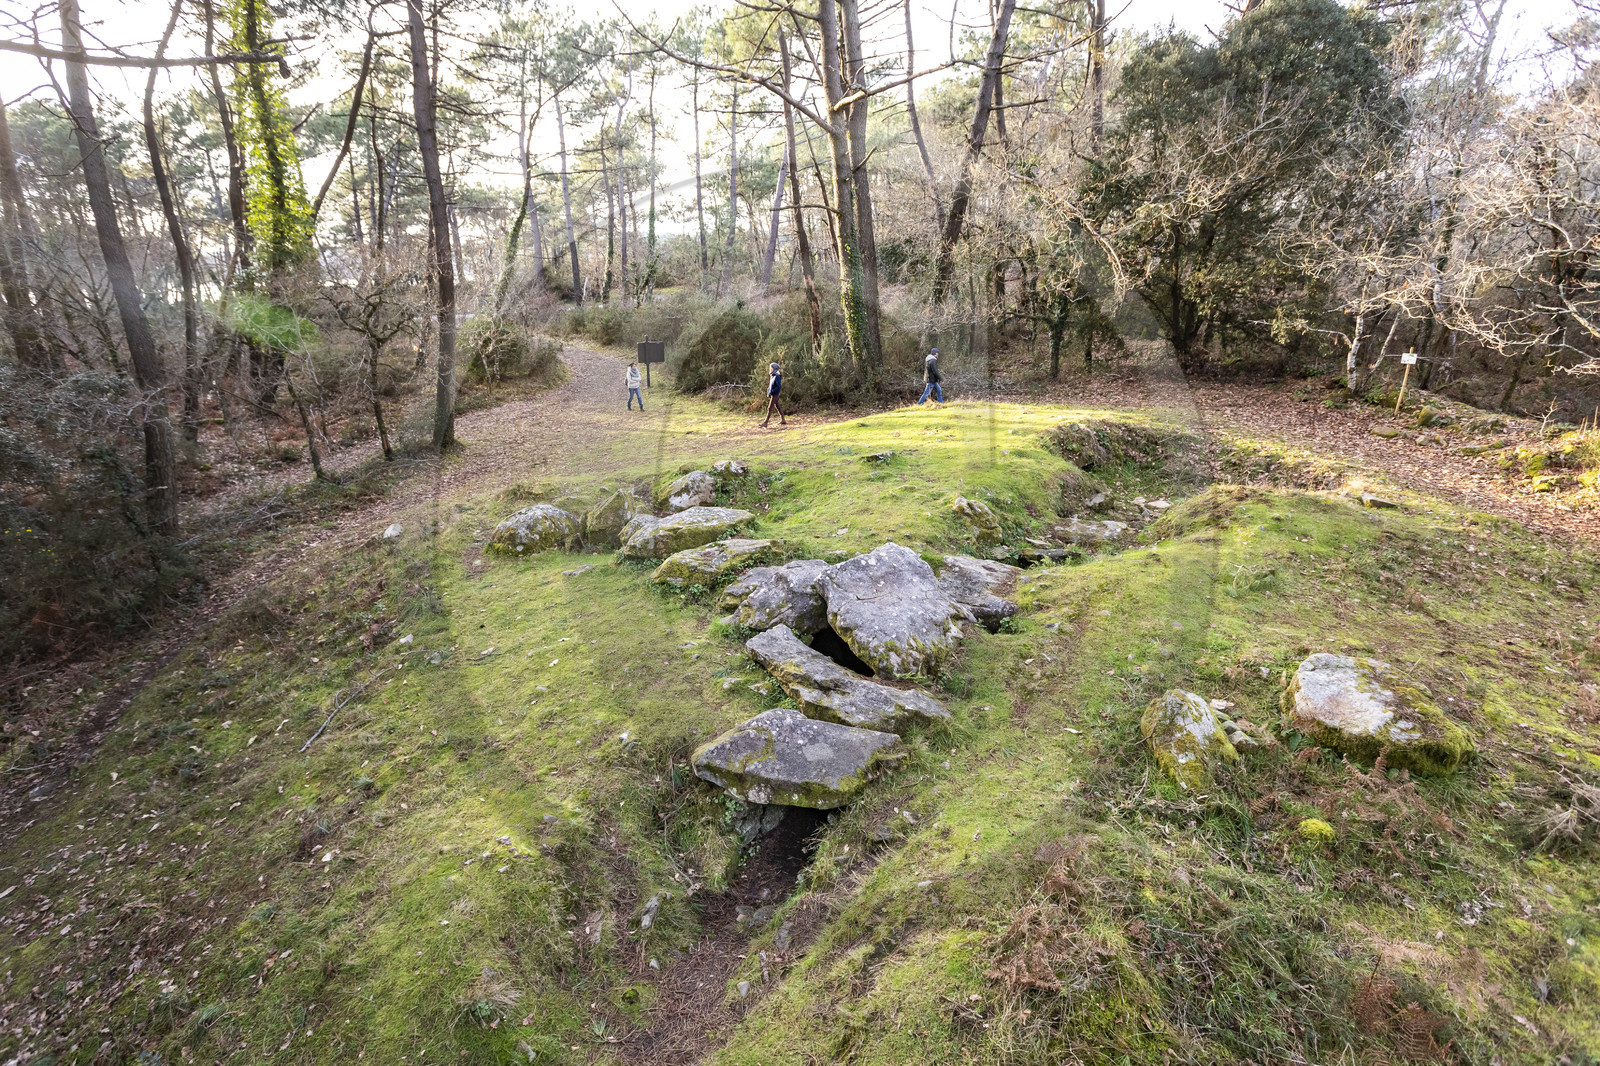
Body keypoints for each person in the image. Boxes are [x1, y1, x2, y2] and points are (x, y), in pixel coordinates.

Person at [760, 361, 786, 427]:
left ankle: (765, 423)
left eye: (771, 367)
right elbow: (771, 385)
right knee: (778, 406)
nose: (770, 369)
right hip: (773, 394)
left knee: (769, 408)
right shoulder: (772, 375)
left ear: (774, 368)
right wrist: (769, 391)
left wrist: (772, 392)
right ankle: (783, 420)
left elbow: (778, 386)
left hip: (775, 395)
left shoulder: (777, 376)